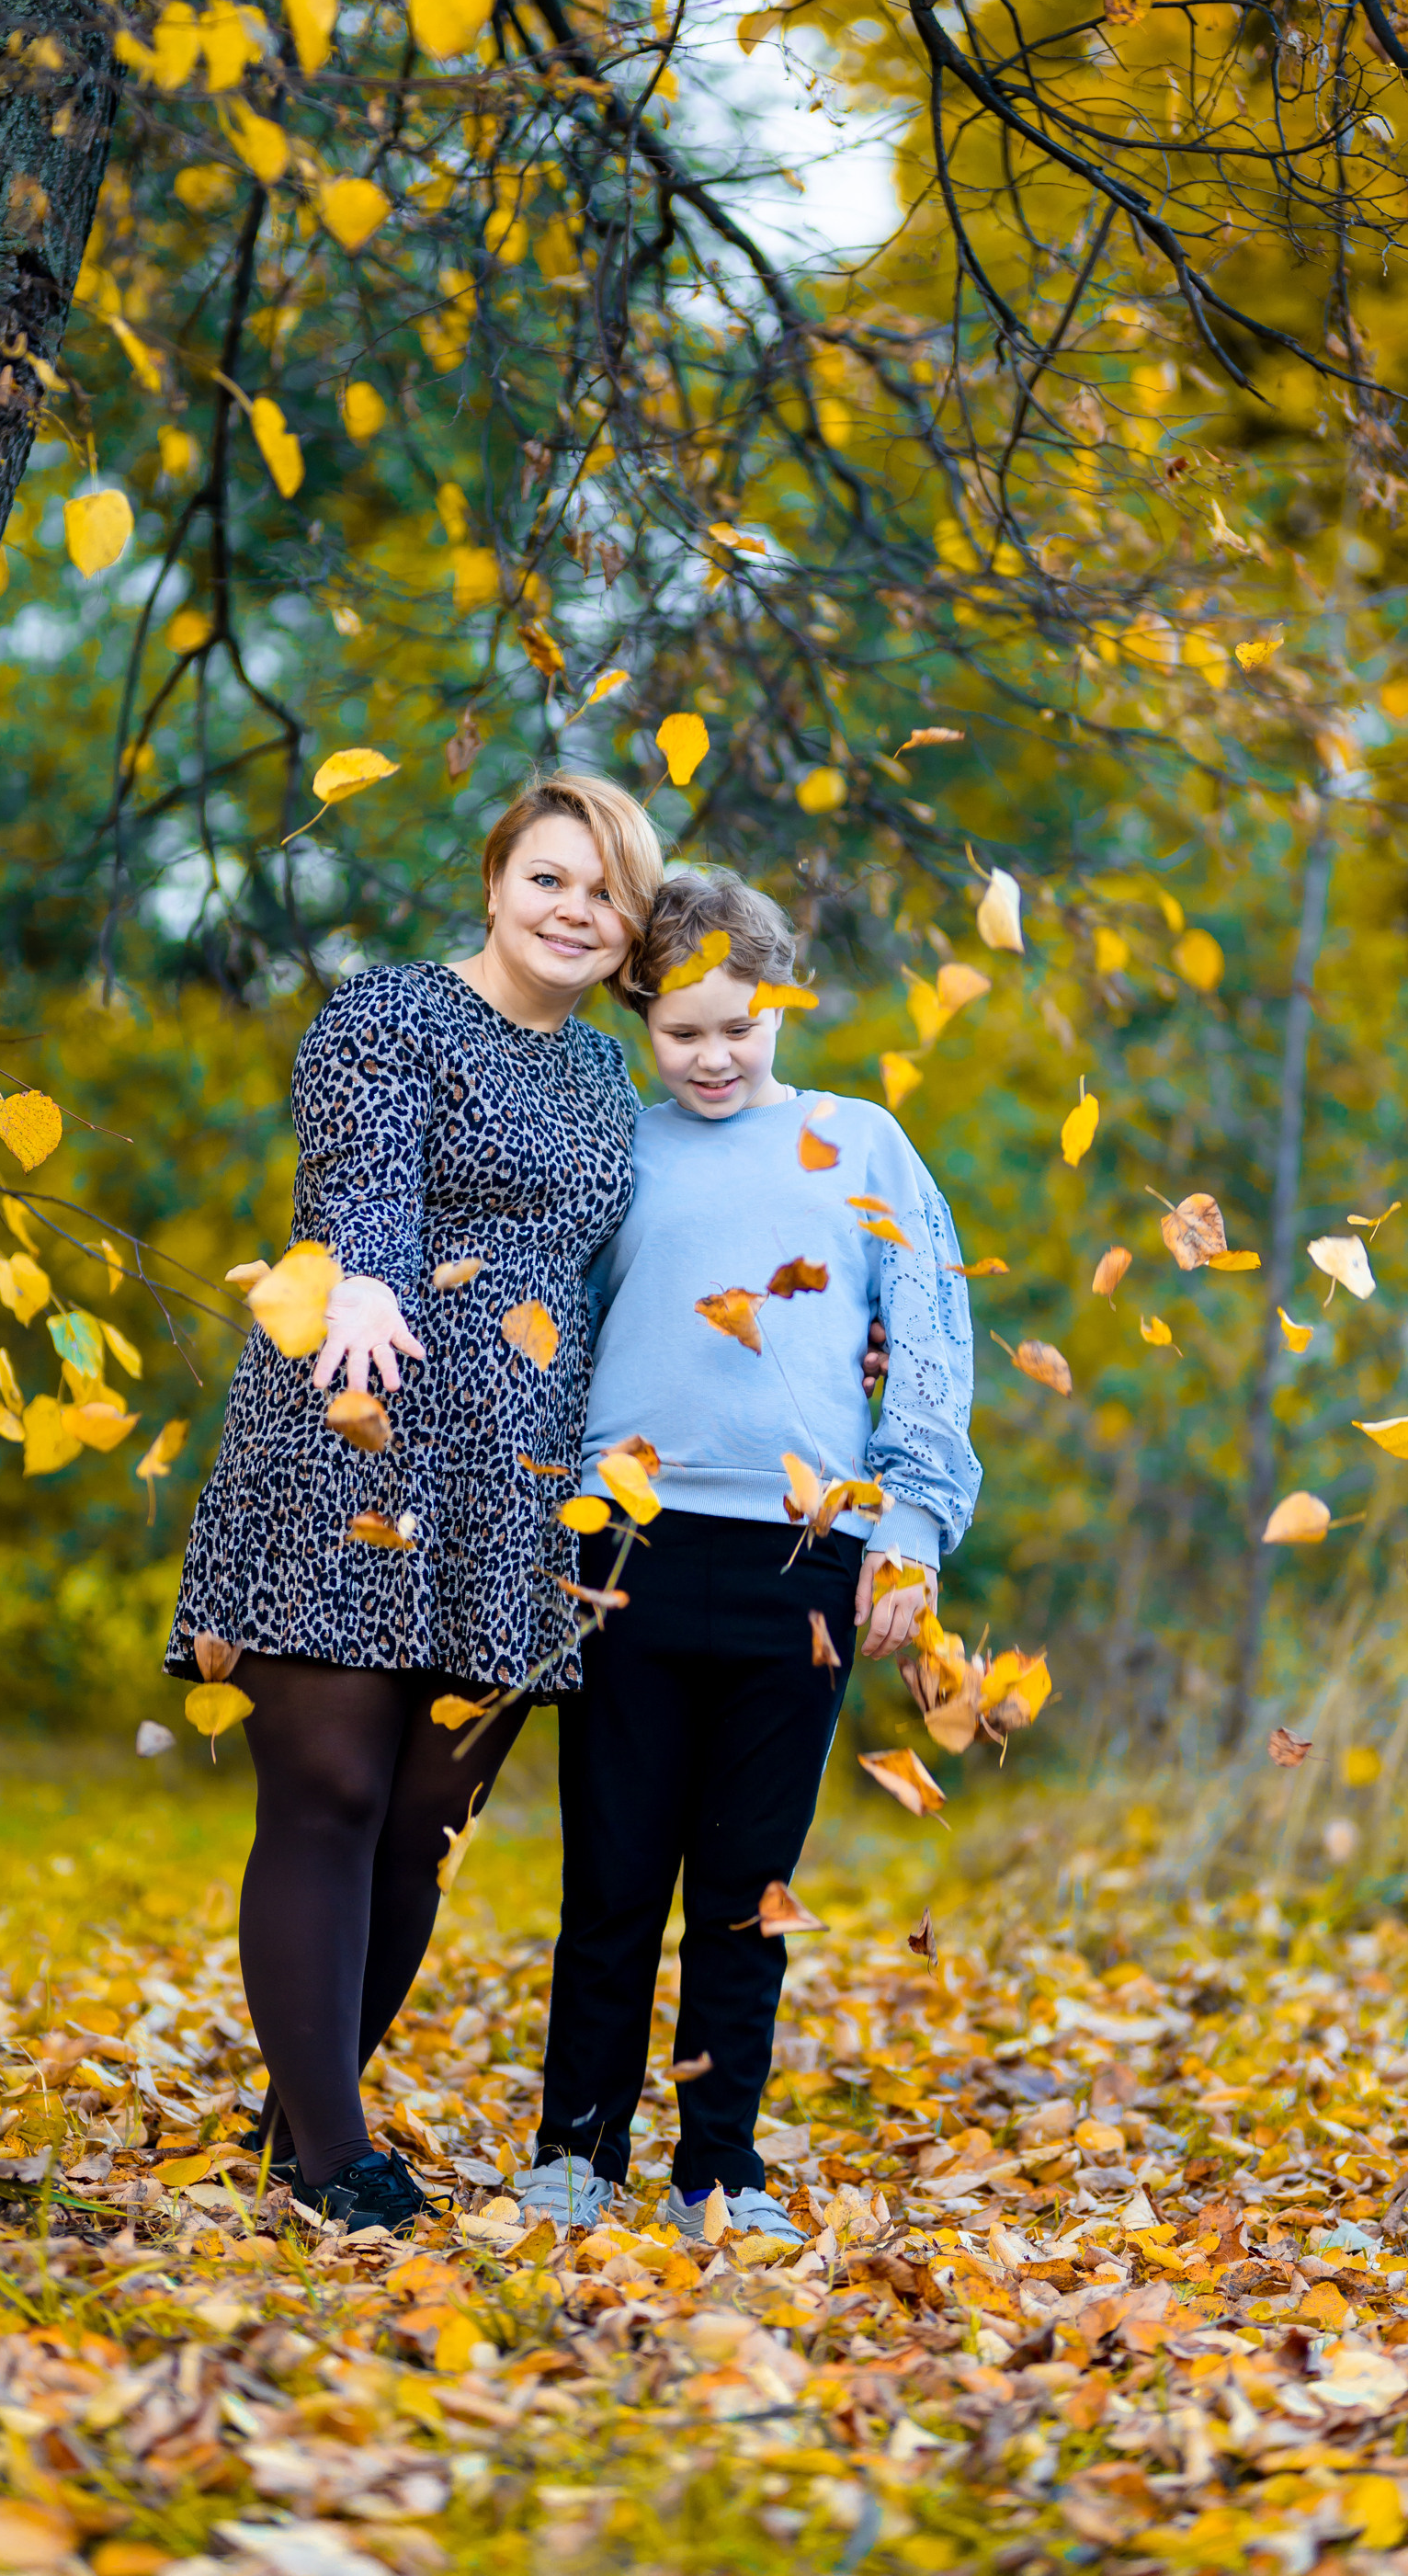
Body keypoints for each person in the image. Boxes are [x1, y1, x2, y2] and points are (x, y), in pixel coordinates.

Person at [163, 772, 664, 2232]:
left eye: (606, 893)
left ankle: (293, 2128)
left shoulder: (603, 1082)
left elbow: (635, 1263)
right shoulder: (390, 1012)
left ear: (630, 928)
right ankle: (337, 2160)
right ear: (498, 878)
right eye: (551, 879)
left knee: (427, 1819)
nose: (576, 911)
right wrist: (369, 1270)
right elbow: (357, 1176)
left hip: (515, 1485)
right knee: (330, 1790)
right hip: (358, 1427)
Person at [520, 868, 981, 2238]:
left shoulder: (864, 1145)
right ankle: (573, 2155)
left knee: (744, 1896)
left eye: (741, 1027)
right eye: (682, 1033)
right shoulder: (620, 1149)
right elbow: (560, 1331)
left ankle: (718, 2168)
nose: (714, 1057)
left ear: (781, 1002)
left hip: (807, 1564)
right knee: (610, 1880)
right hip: (626, 1553)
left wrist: (908, 1529)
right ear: (641, 1018)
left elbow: (934, 1340)